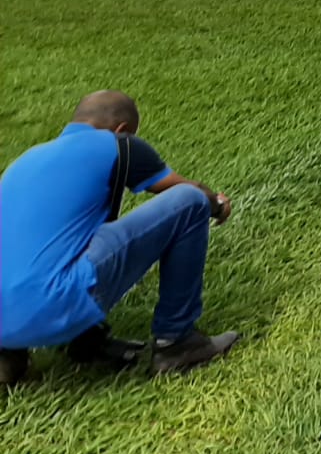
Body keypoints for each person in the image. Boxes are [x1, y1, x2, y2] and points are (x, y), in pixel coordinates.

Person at [0, 91, 239, 386]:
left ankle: (12, 356)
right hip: (55, 303)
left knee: (45, 243)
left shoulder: (24, 161)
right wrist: (216, 202)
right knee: (190, 202)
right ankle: (177, 343)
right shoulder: (118, 145)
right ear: (122, 130)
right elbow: (184, 189)